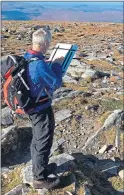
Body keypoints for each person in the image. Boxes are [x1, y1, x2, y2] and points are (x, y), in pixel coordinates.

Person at [24, 28, 63, 189]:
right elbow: (56, 83)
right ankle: (39, 178)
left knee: (38, 138)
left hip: (32, 106)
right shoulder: (39, 64)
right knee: (43, 140)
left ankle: (41, 167)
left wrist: (47, 65)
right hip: (41, 107)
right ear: (45, 43)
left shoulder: (28, 57)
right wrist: (57, 65)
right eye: (49, 43)